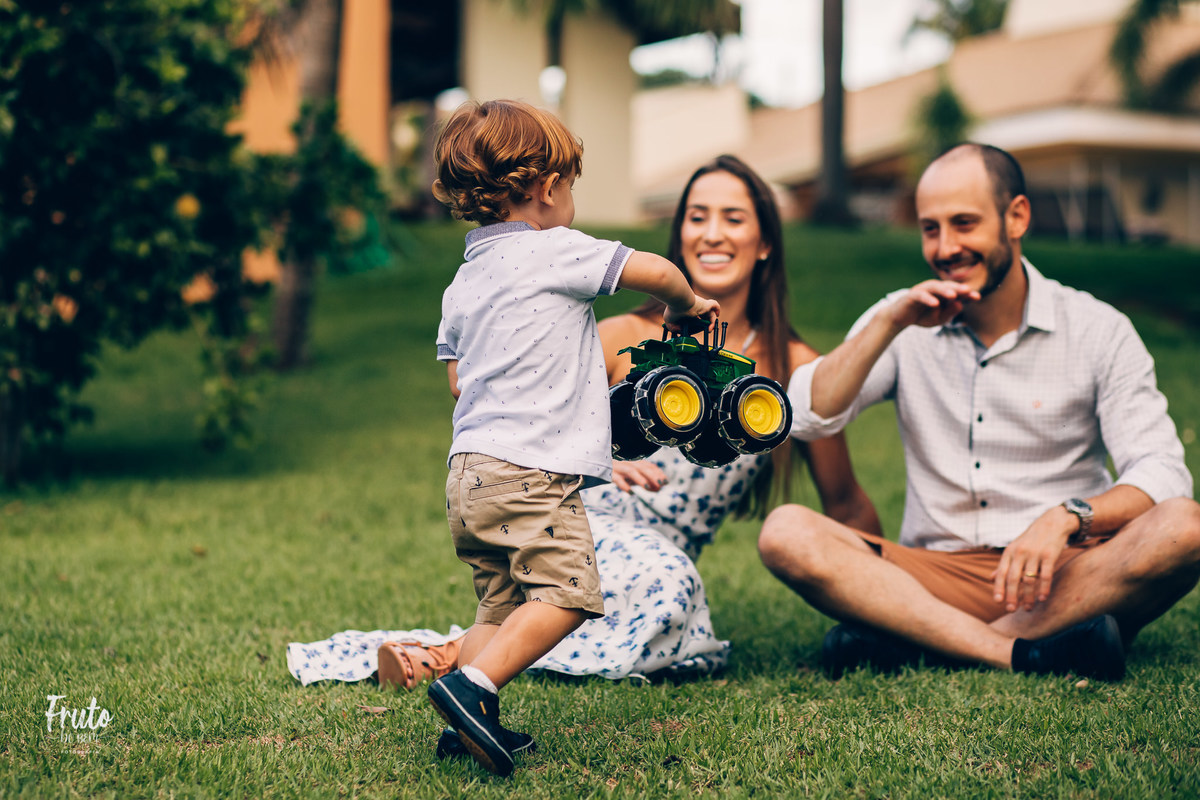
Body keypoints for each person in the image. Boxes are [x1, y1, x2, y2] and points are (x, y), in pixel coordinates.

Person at [285, 154, 880, 756]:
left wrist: (879, 600)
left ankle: (454, 674)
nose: (712, 233)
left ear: (766, 241)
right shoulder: (619, 332)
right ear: (680, 234)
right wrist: (601, 456)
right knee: (627, 586)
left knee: (638, 589)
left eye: (733, 217)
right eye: (698, 216)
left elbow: (846, 501)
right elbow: (530, 399)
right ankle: (462, 675)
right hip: (583, 510)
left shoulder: (798, 368)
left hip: (619, 531)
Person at [758, 143, 1200, 683]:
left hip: (1064, 571)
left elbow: (1163, 472)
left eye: (964, 223)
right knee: (786, 533)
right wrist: (889, 324)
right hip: (934, 572)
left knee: (1185, 527)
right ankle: (1026, 651)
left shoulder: (1099, 329)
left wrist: (1065, 517)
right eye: (930, 229)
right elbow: (806, 417)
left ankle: (919, 638)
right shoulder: (904, 318)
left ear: (1017, 217)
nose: (946, 248)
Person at [425, 99, 719, 777]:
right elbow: (654, 271)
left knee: (498, 606)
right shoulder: (556, 248)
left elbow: (458, 382)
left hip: (468, 476)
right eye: (571, 185)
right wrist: (687, 306)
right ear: (547, 187)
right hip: (531, 473)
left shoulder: (463, 281)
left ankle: (466, 726)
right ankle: (471, 689)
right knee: (567, 594)